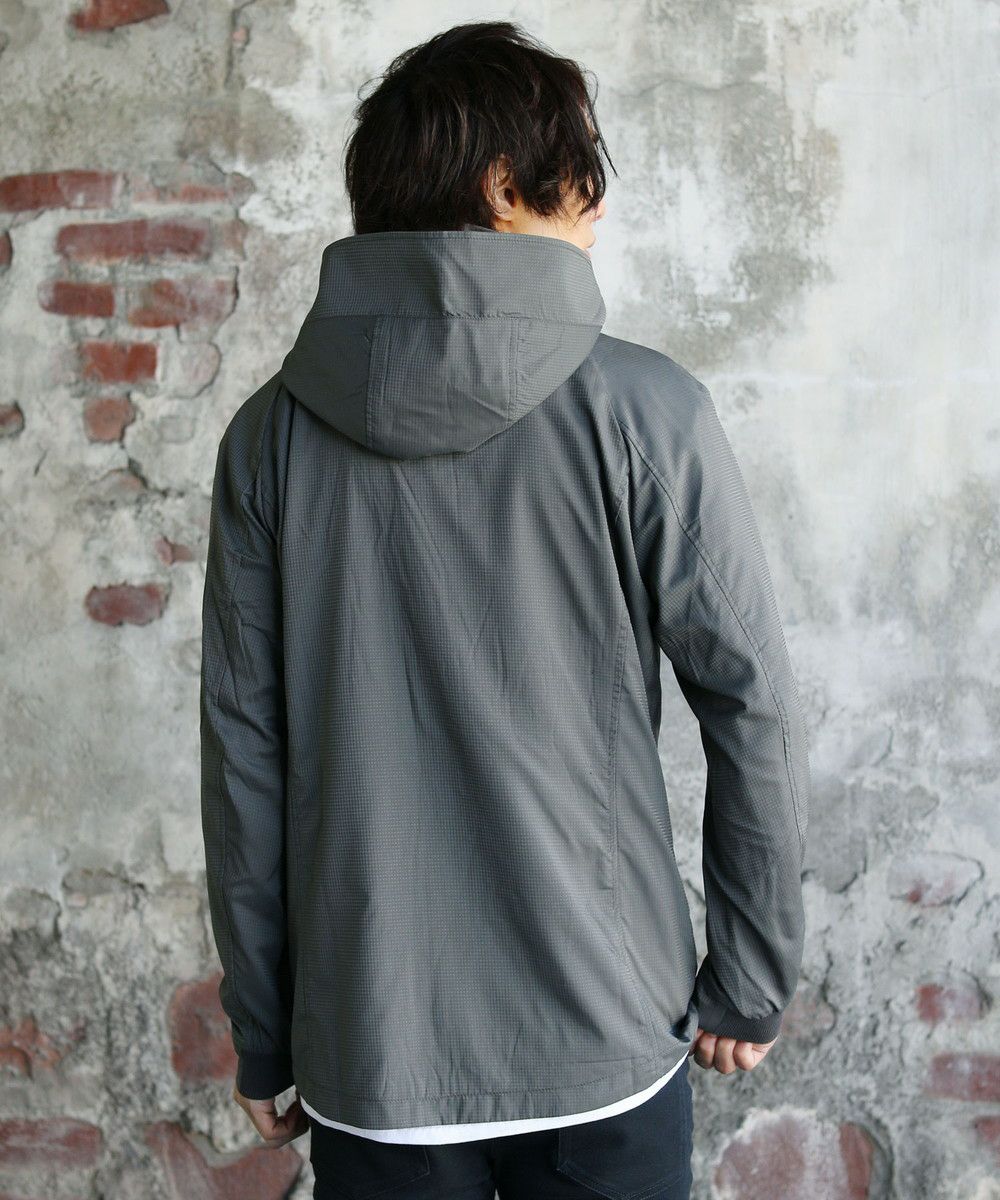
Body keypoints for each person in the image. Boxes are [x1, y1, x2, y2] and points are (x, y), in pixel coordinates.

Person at [199, 19, 810, 1200]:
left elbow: (244, 758)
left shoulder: (268, 439)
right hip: (606, 1031)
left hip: (374, 1048)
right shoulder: (645, 412)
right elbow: (756, 707)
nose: (597, 206)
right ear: (500, 188)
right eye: (580, 172)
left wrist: (266, 1025)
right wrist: (750, 969)